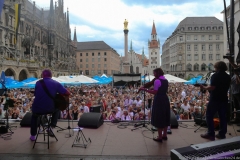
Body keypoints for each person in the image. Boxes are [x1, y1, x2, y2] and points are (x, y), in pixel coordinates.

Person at [30, 69, 70, 141]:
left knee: (34, 116)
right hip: (49, 108)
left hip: (37, 108)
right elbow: (67, 93)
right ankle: (51, 127)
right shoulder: (56, 83)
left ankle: (33, 135)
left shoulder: (38, 83)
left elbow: (35, 94)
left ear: (42, 75)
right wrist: (58, 94)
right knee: (57, 109)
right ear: (51, 75)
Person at [200, 61, 231, 140]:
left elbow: (213, 87)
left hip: (215, 99)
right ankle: (222, 134)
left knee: (209, 115)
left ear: (217, 67)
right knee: (222, 117)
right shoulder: (228, 76)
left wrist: (204, 88)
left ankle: (211, 133)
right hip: (224, 99)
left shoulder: (215, 75)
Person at [139, 68, 170, 143]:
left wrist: (145, 90)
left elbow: (155, 92)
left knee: (159, 117)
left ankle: (159, 137)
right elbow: (160, 88)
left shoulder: (157, 81)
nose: (153, 74)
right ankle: (164, 135)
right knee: (165, 116)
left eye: (154, 73)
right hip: (165, 99)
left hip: (159, 100)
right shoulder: (165, 80)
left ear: (157, 73)